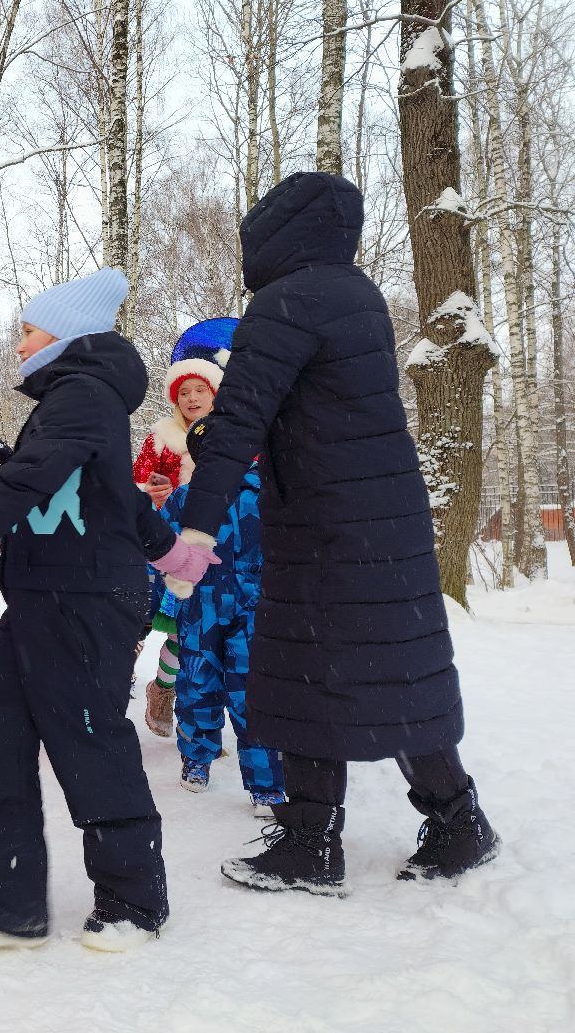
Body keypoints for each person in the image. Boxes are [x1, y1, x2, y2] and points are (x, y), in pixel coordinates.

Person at [176, 172, 500, 896]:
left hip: (327, 528)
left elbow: (242, 421)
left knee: (308, 676)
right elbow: (304, 415)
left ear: (276, 232)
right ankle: (455, 822)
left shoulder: (283, 302)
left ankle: (310, 844)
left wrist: (197, 525)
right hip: (380, 523)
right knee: (391, 674)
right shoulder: (355, 294)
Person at [0, 269, 218, 953]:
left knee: (89, 747)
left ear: (69, 333)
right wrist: (172, 554)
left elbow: (33, 477)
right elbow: (121, 500)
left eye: (28, 329)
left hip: (85, 603)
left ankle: (133, 901)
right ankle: (10, 901)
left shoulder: (83, 396)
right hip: (36, 599)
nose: (18, 343)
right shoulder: (69, 400)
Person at [160, 417, 285, 815]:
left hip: (256, 610)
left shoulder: (267, 494)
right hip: (200, 609)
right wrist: (156, 605)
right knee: (197, 684)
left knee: (254, 692)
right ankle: (197, 758)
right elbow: (161, 550)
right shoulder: (184, 499)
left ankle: (266, 782)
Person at [134, 321, 231, 738]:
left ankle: (175, 693)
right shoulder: (162, 436)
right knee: (169, 621)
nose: (192, 398)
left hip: (220, 543)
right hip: (166, 542)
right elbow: (135, 483)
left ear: (215, 393)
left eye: (201, 391)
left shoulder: (236, 437)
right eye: (184, 392)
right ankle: (150, 686)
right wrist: (155, 492)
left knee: (200, 634)